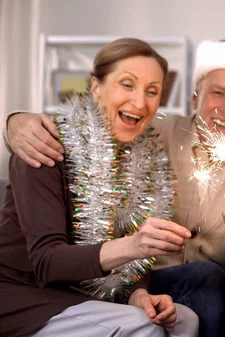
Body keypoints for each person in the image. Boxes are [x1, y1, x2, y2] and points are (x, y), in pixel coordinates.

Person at [4, 37, 225, 337]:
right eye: (217, 93)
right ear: (194, 99)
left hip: (172, 280)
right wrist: (14, 123)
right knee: (205, 278)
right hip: (150, 274)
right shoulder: (150, 132)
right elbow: (95, 125)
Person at [0, 38, 199, 337]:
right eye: (127, 84)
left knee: (185, 320)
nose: (140, 102)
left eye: (152, 91)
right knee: (143, 327)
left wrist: (139, 296)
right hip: (21, 293)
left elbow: (130, 267)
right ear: (96, 86)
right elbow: (47, 262)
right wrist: (133, 245)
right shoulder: (44, 145)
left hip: (80, 296)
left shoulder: (144, 162)